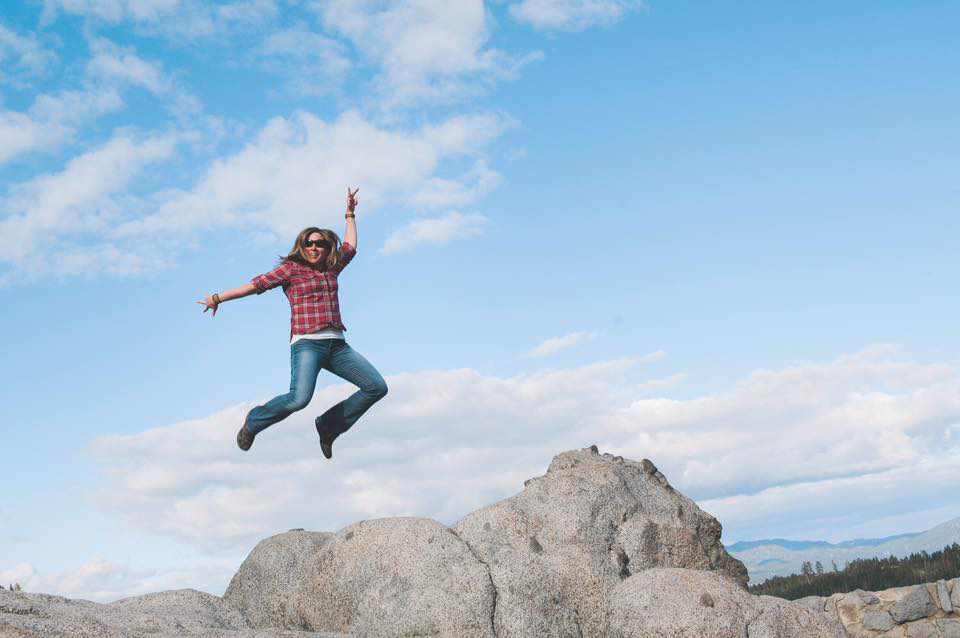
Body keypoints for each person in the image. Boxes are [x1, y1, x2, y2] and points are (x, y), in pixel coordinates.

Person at [197, 187, 387, 458]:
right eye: (309, 243)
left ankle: (329, 426)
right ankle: (253, 422)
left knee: (376, 387)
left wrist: (350, 214)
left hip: (338, 346)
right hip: (307, 344)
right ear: (302, 246)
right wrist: (218, 298)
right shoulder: (291, 270)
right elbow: (255, 285)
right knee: (299, 399)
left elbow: (350, 247)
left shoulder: (332, 267)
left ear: (326, 248)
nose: (314, 247)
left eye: (319, 243)